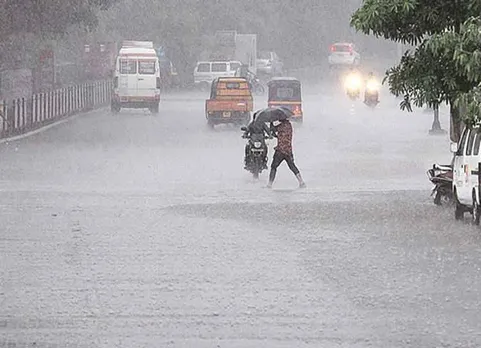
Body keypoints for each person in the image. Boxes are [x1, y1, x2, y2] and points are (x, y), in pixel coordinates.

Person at [267, 110, 306, 189]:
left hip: (280, 150)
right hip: (288, 150)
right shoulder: (289, 126)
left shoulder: (281, 126)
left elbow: (273, 129)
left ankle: (269, 184)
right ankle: (301, 182)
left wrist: (271, 122)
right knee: (292, 166)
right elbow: (281, 136)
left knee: (273, 167)